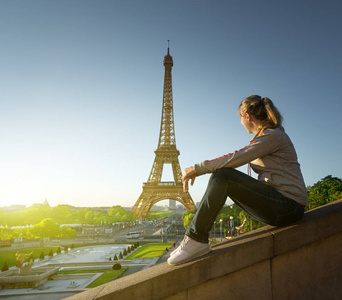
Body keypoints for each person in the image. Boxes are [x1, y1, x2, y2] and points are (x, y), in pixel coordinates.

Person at [167, 95, 307, 266]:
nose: (240, 122)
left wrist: (198, 168)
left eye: (240, 118)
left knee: (223, 176)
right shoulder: (267, 136)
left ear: (247, 116)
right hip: (283, 206)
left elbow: (236, 157)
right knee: (222, 176)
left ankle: (196, 239)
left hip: (289, 207)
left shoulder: (273, 136)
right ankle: (195, 239)